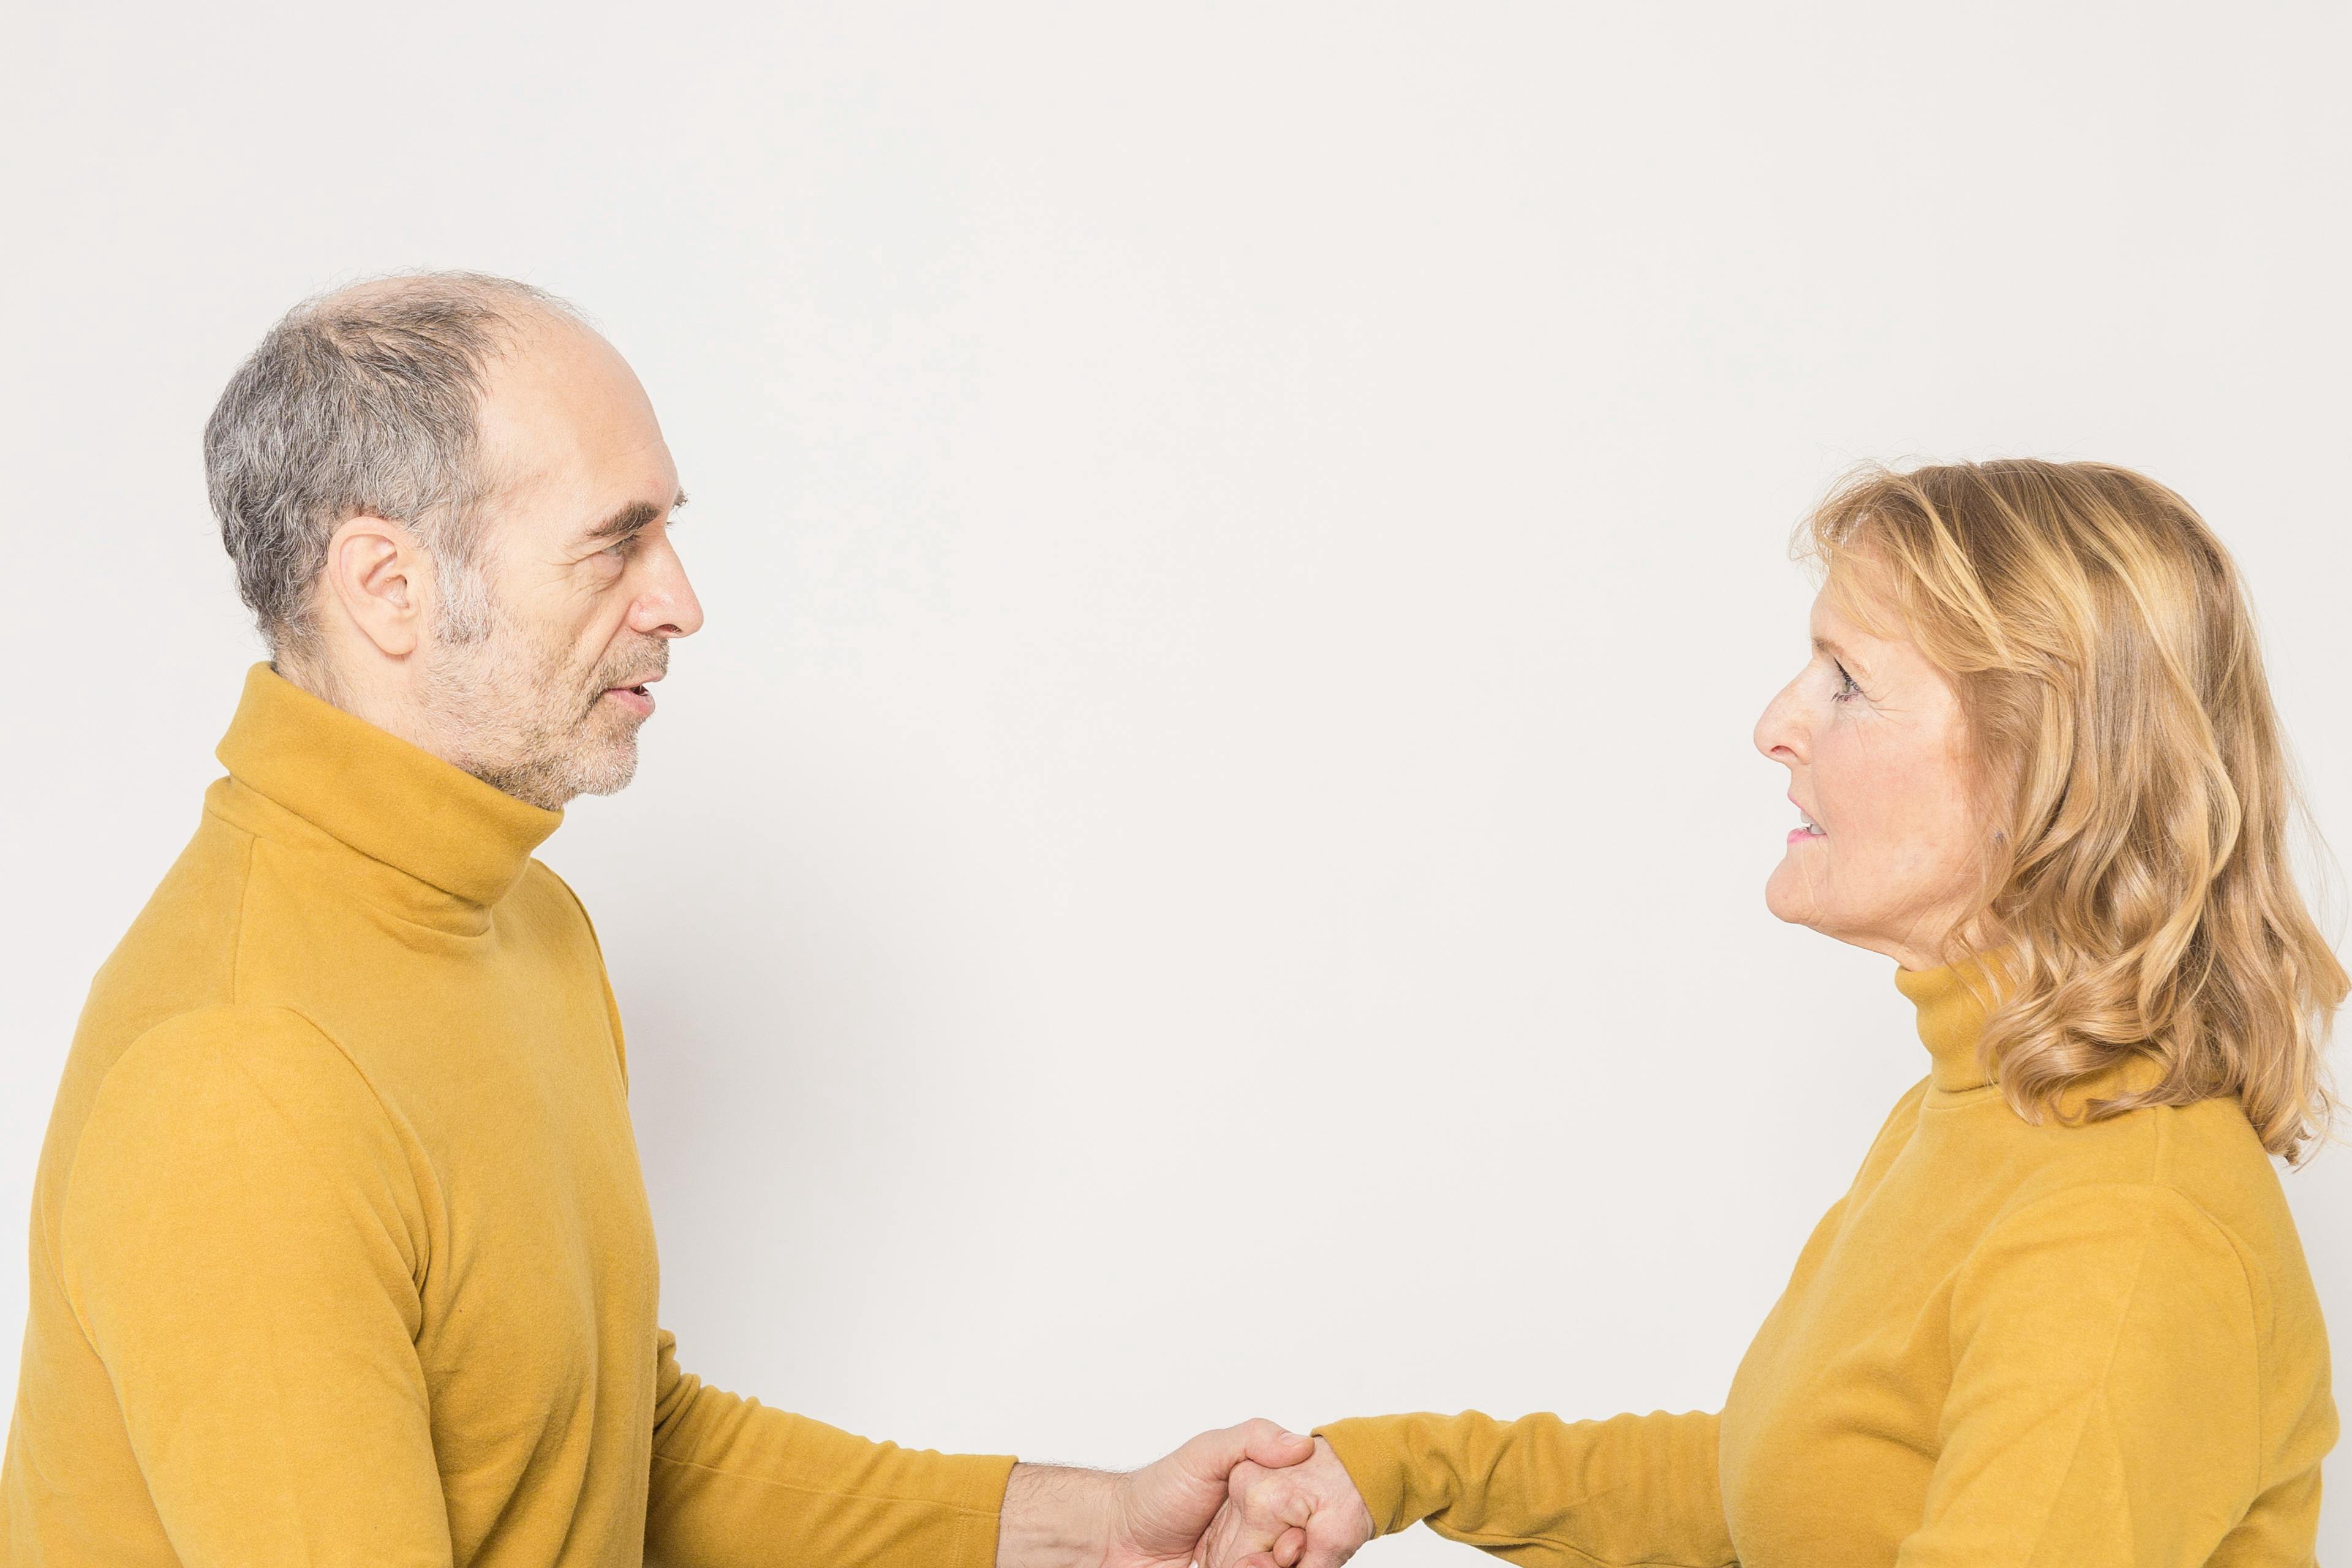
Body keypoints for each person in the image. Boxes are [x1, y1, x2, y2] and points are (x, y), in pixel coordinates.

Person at [0, 271, 1318, 1566]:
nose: (680, 600)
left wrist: (1091, 1524)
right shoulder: (241, 1076)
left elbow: (622, 1450)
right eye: (614, 538)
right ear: (386, 584)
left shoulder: (527, 925)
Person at [1204, 458, 2345, 1567]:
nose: (1775, 724)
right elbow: (1788, 1490)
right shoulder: (1981, 1110)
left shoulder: (2125, 1226)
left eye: (1846, 679)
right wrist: (1395, 1470)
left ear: (2042, 767)